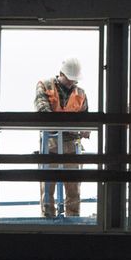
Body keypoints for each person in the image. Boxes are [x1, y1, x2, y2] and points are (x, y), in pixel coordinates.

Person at [34, 57, 89, 218]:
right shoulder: (45, 86)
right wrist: (71, 126)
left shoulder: (81, 93)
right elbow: (43, 112)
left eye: (74, 80)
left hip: (72, 144)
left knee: (73, 187)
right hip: (50, 142)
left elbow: (86, 120)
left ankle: (73, 218)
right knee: (48, 185)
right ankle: (48, 217)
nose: (72, 83)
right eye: (69, 79)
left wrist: (84, 130)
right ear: (61, 74)